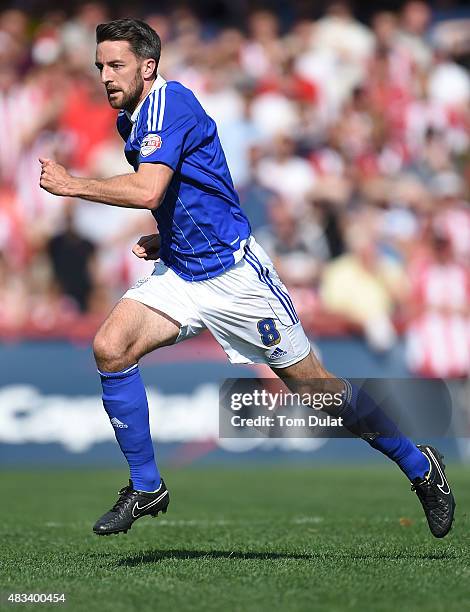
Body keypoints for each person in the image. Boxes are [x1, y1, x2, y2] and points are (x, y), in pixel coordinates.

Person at [39, 18, 455, 538]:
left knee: (320, 394)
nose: (105, 75)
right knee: (110, 346)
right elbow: (198, 185)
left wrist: (73, 185)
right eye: (100, 65)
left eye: (116, 64)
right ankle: (146, 485)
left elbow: (149, 191)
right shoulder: (134, 116)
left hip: (236, 278)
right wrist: (170, 240)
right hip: (184, 274)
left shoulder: (172, 105)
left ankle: (422, 467)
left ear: (148, 67)